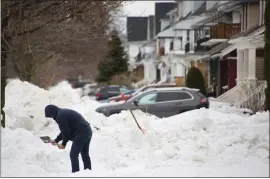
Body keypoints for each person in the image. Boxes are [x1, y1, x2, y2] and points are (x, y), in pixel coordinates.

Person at [44, 104, 92, 173]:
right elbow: (65, 131)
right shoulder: (62, 112)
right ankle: (88, 173)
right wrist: (56, 140)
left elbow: (66, 132)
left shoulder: (60, 116)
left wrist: (63, 144)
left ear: (52, 113)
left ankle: (76, 174)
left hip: (81, 133)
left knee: (73, 154)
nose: (52, 118)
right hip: (87, 131)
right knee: (84, 153)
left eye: (51, 116)